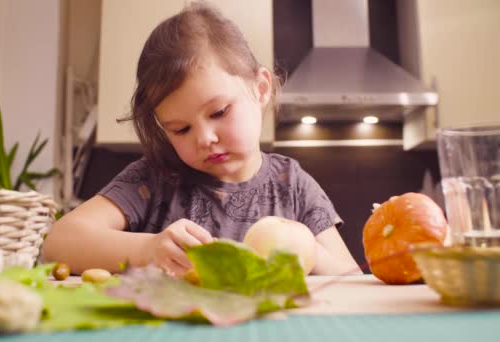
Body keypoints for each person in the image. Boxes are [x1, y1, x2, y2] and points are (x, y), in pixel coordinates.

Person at [43, 2, 362, 276]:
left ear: (261, 88)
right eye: (181, 129)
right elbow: (59, 242)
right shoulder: (153, 178)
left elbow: (352, 282)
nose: (205, 138)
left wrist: (309, 251)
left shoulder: (292, 184)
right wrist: (150, 249)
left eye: (219, 112)